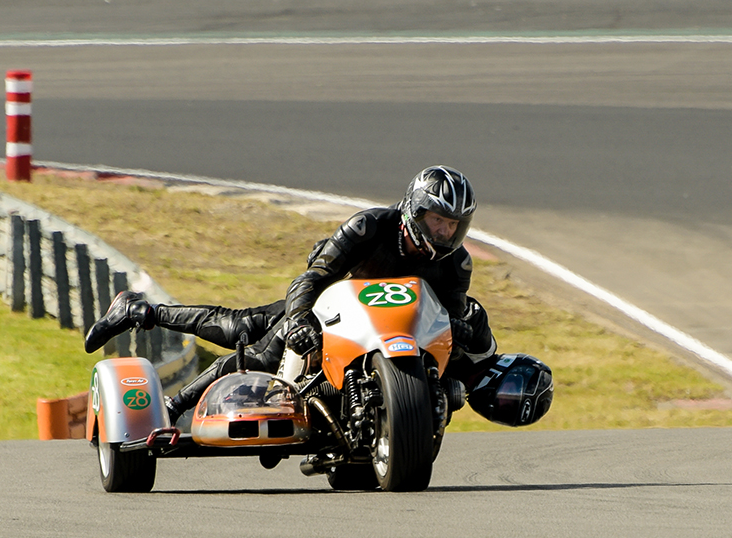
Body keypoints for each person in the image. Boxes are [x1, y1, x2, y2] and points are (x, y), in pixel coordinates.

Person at [84, 166, 548, 425]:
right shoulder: (369, 227)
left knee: (467, 332)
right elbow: (312, 276)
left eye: (453, 225)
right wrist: (303, 318)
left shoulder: (457, 262)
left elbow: (449, 315)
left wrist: (456, 372)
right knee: (252, 337)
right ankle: (156, 354)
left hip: (393, 336)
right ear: (413, 210)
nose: (444, 232)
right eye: (435, 221)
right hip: (333, 310)